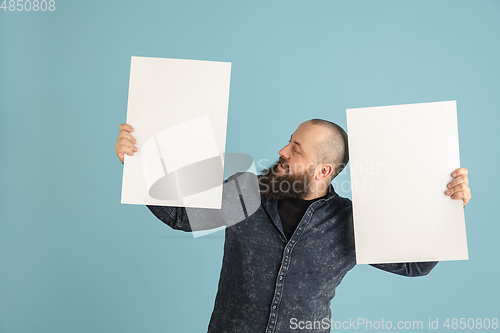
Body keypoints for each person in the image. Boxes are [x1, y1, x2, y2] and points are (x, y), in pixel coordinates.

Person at [115, 119, 471, 333]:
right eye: (289, 141)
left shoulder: (351, 222)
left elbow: (415, 264)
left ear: (322, 171)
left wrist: (447, 205)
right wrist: (137, 162)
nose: (283, 151)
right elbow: (182, 215)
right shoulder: (245, 192)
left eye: (296, 149)